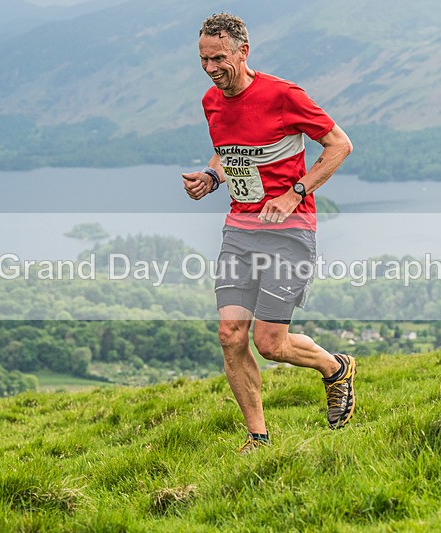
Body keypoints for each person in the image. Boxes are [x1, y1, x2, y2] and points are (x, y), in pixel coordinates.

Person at [183, 13, 356, 454]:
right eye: (204, 59)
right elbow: (229, 153)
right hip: (239, 230)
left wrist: (296, 193)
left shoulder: (284, 95)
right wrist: (212, 175)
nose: (211, 68)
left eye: (219, 57)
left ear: (244, 51)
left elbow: (339, 144)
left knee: (269, 342)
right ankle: (257, 437)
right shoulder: (212, 101)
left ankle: (335, 367)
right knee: (230, 334)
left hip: (288, 230)